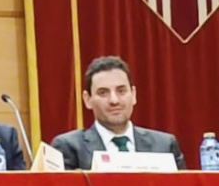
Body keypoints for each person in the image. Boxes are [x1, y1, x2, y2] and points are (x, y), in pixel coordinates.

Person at [50, 55, 185, 170]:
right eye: (103, 93)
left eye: (121, 91)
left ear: (133, 95)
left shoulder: (164, 145)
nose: (114, 100)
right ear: (88, 99)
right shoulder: (69, 148)